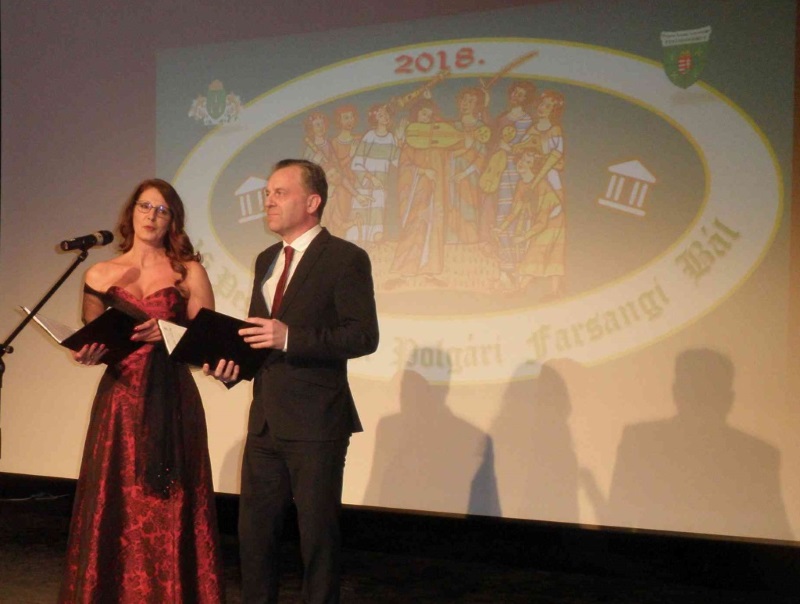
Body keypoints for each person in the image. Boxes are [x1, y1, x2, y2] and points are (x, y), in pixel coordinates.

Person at [206, 159, 380, 603]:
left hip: (317, 422)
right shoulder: (266, 259)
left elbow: (363, 335)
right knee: (254, 534)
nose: (268, 200)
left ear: (312, 201)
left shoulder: (345, 258)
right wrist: (230, 366)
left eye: (280, 192)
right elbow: (257, 339)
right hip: (265, 420)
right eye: (267, 193)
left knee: (317, 538)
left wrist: (291, 337)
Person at [59, 179, 224, 603]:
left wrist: (167, 331)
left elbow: (208, 342)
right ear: (131, 212)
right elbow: (95, 336)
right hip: (120, 403)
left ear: (173, 220)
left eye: (162, 210)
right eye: (145, 206)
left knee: (171, 503)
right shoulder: (99, 273)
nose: (151, 216)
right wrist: (88, 353)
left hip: (172, 400)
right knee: (117, 501)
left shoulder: (188, 271)